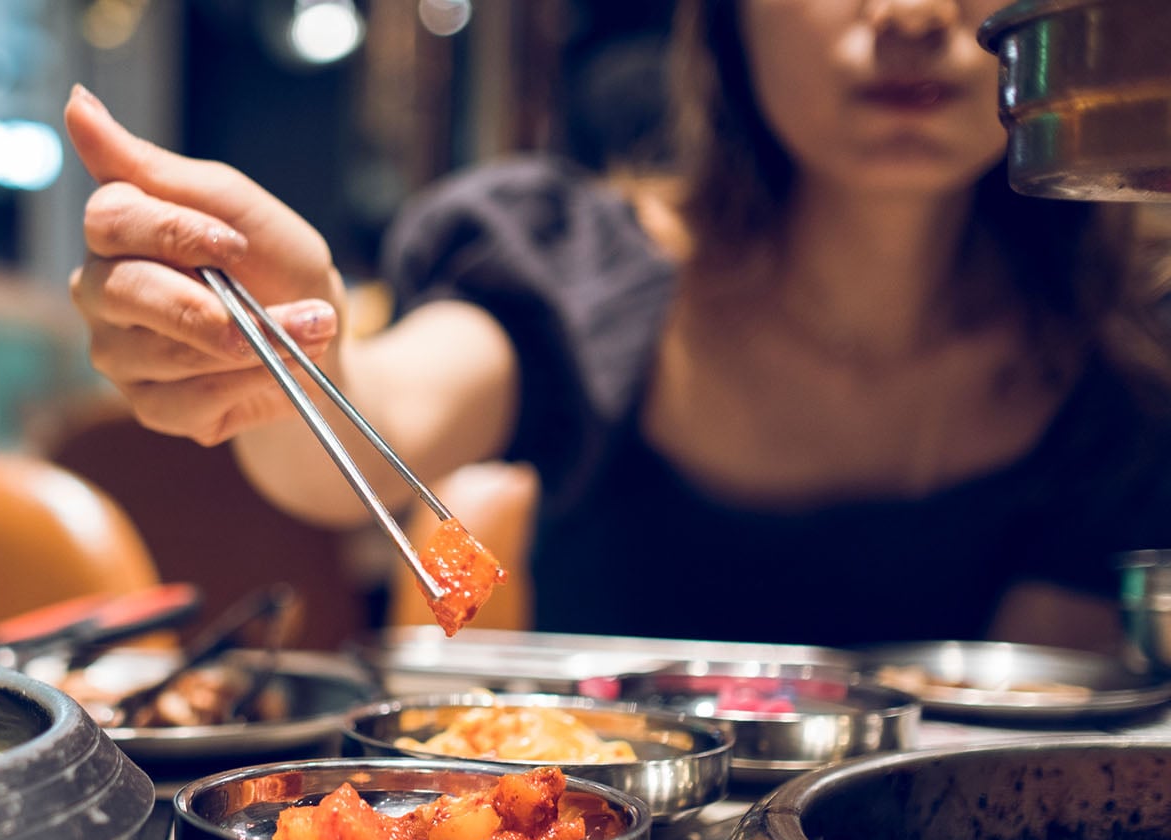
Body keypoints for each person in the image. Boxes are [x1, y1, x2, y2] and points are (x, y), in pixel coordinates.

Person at [61, 0, 1171, 652]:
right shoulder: (575, 263)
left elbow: (1026, 769)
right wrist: (285, 344)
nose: (916, 18)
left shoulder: (1122, 350)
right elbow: (367, 430)